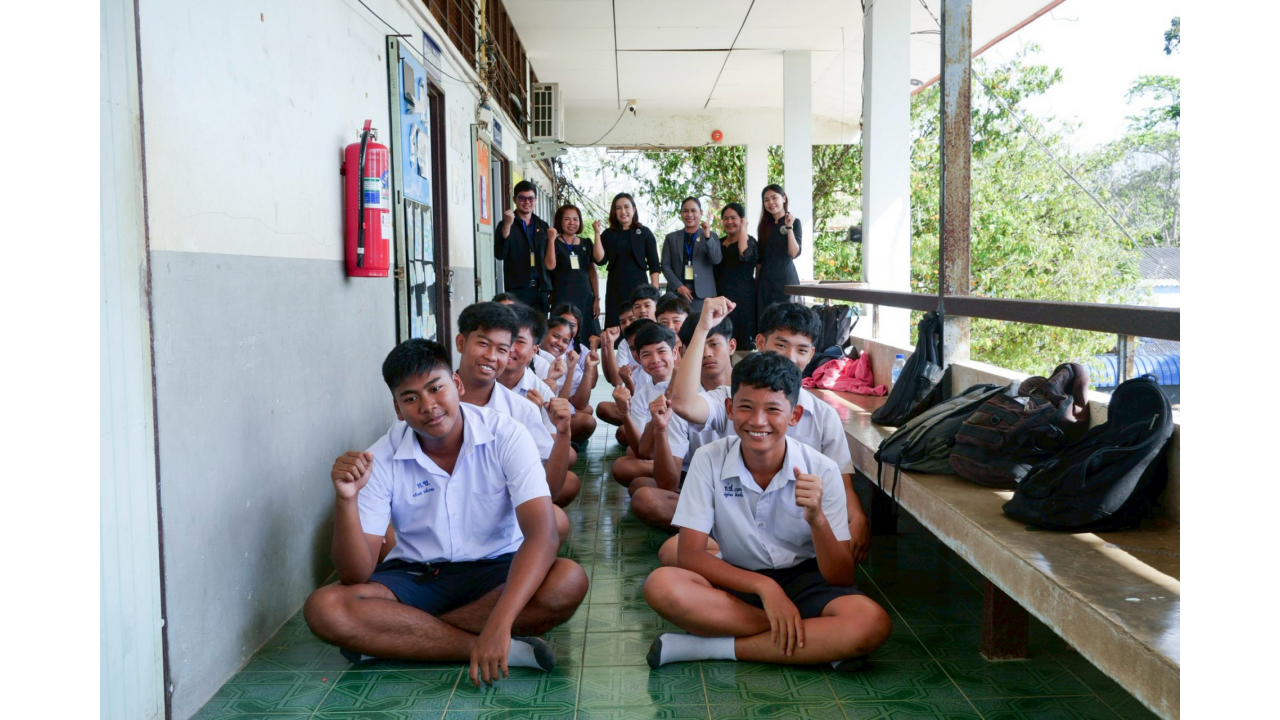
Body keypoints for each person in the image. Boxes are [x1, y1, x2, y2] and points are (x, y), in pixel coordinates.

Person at [302, 338, 588, 686]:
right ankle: (491, 648)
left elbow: (542, 536)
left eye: (436, 388)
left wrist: (500, 621)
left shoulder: (506, 434)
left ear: (456, 384)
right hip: (418, 577)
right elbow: (355, 575)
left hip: (498, 570)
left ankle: (395, 638)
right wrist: (346, 500)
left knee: (567, 581)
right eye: (410, 398)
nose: (429, 406)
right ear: (397, 409)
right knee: (325, 608)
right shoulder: (381, 457)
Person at [641, 352, 891, 670]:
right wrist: (765, 587)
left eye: (773, 409)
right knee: (662, 585)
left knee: (871, 622)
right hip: (738, 578)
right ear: (730, 409)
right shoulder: (708, 459)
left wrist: (817, 520)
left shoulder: (822, 469)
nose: (758, 421)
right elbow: (690, 556)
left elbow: (841, 576)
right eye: (746, 407)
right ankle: (817, 639)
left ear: (794, 415)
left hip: (806, 578)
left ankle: (708, 646)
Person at [658, 300, 872, 566]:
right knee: (673, 552)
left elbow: (841, 482)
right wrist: (702, 328)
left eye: (801, 349)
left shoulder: (823, 415)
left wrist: (858, 518)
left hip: (798, 538)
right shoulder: (730, 398)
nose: (790, 357)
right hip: (737, 531)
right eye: (781, 345)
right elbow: (684, 404)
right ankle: (754, 584)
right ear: (760, 342)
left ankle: (745, 584)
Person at [452, 303, 579, 520]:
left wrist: (563, 433)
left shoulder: (524, 408)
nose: (492, 356)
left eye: (502, 348)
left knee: (555, 520)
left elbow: (548, 488)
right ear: (461, 343)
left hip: (503, 516)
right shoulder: (436, 402)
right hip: (443, 514)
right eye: (483, 343)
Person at [629, 307, 737, 530]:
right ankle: (716, 527)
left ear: (732, 346)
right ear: (683, 351)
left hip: (746, 488)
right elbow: (668, 482)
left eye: (714, 344)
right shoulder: (680, 399)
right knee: (644, 496)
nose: (706, 353)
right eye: (700, 346)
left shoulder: (751, 388)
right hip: (701, 486)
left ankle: (713, 529)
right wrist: (660, 429)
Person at [609, 323, 680, 488]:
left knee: (641, 488)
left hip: (691, 462)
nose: (655, 360)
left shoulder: (691, 385)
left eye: (661, 351)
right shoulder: (643, 394)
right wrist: (624, 413)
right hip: (661, 459)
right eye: (646, 354)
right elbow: (642, 451)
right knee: (625, 470)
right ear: (639, 359)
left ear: (675, 352)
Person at [593, 192, 660, 328]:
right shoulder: (608, 234)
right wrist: (597, 234)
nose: (623, 211)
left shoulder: (644, 232)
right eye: (618, 208)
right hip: (615, 288)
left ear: (633, 209)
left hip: (640, 286)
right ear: (614, 212)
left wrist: (654, 293)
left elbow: (654, 265)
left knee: (642, 326)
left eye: (626, 207)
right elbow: (600, 260)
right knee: (615, 324)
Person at [544, 205, 601, 344]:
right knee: (562, 333)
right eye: (567, 219)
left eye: (575, 219)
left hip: (585, 297)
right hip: (562, 296)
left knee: (586, 334)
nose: (572, 223)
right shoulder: (554, 242)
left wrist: (596, 298)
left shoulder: (586, 243)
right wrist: (551, 240)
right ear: (560, 221)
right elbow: (550, 265)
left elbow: (592, 271)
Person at [496, 181, 553, 312]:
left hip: (541, 289)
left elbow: (549, 258)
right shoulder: (505, 224)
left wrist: (551, 289)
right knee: (518, 323)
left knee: (540, 324)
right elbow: (500, 254)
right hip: (517, 289)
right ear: (514, 199)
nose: (527, 202)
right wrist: (507, 226)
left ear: (535, 200)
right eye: (522, 198)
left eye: (530, 198)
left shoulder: (543, 226)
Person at [661, 197, 721, 313]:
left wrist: (707, 237)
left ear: (701, 212)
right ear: (681, 213)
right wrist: (678, 286)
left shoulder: (711, 236)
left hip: (703, 295)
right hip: (676, 293)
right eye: (685, 211)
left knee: (700, 323)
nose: (689, 214)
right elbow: (665, 265)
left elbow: (716, 259)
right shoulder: (671, 238)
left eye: (693, 211)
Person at [712, 202, 759, 352]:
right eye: (726, 218)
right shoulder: (718, 242)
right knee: (720, 339)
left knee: (742, 342)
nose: (729, 222)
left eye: (733, 218)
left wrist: (743, 229)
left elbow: (744, 254)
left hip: (743, 299)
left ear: (742, 220)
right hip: (720, 297)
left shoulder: (750, 242)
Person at [755, 184, 802, 318]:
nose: (771, 202)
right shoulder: (764, 225)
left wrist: (789, 227)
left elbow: (794, 253)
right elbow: (760, 259)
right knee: (766, 321)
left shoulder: (794, 222)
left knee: (788, 321)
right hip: (765, 283)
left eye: (774, 198)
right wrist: (757, 284)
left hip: (785, 280)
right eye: (766, 200)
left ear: (784, 198)